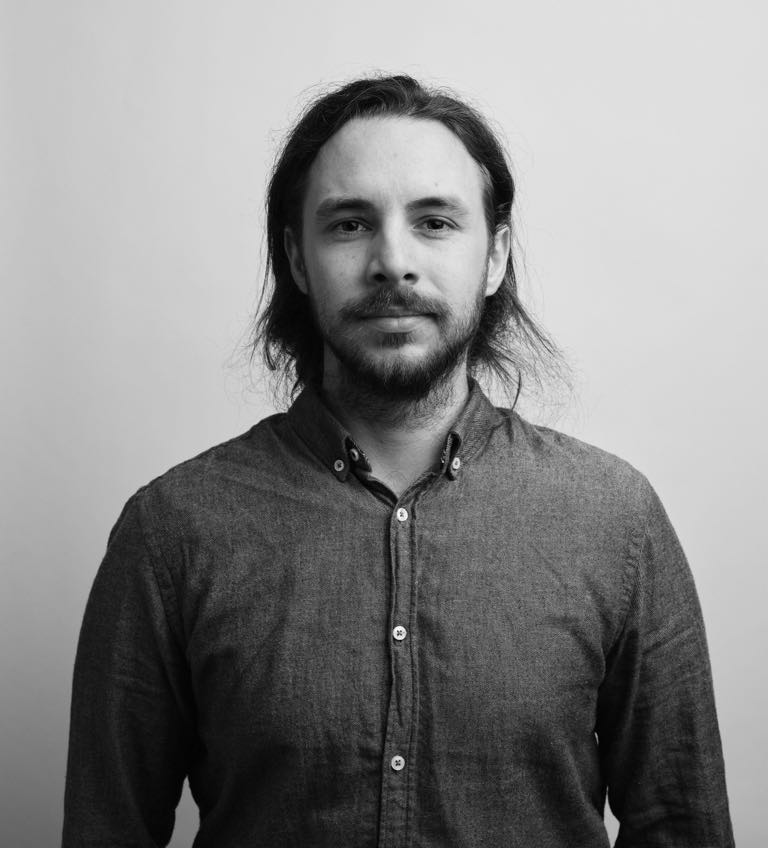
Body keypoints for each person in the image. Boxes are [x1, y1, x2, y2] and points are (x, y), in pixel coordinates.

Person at [62, 75, 734, 847]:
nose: (393, 261)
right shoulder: (173, 532)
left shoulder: (615, 522)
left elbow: (682, 826)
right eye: (350, 224)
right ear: (299, 260)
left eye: (436, 222)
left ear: (494, 257)